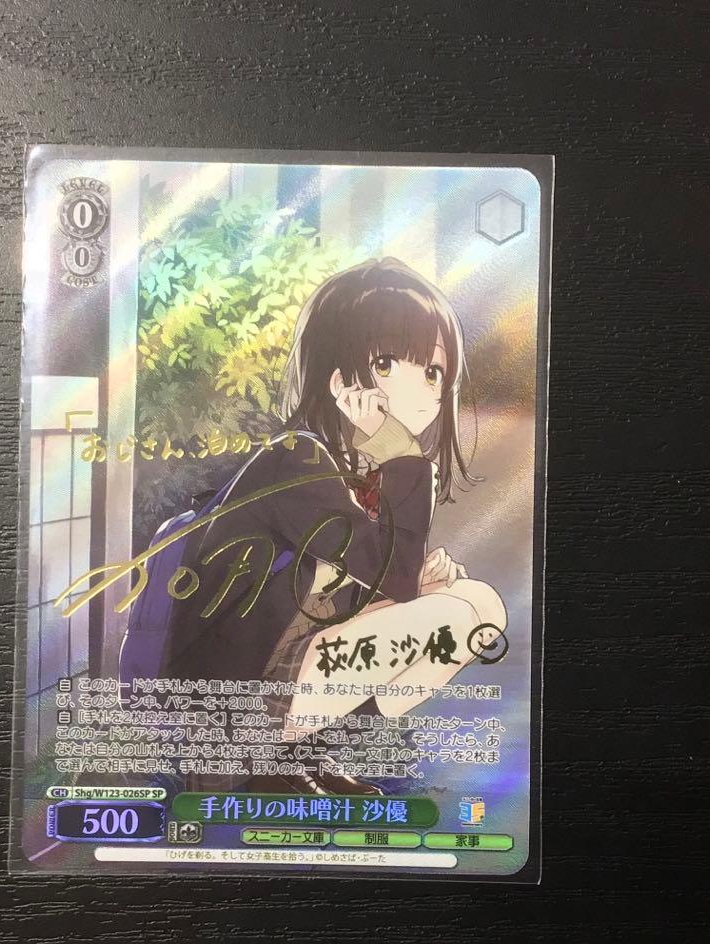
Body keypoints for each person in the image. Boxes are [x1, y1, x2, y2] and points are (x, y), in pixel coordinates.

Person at [162, 256, 506, 795]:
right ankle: (254, 763)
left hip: (282, 671)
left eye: (432, 373)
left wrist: (415, 583)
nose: (418, 391)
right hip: (228, 706)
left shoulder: (355, 469)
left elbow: (368, 582)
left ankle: (300, 753)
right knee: (456, 615)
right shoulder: (297, 459)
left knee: (479, 605)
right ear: (339, 375)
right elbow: (389, 575)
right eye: (387, 363)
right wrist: (400, 453)